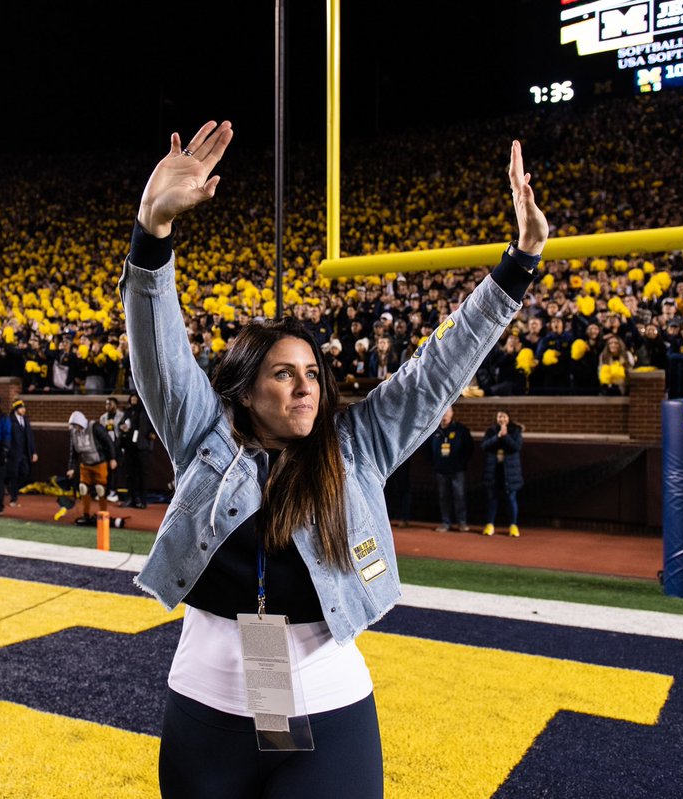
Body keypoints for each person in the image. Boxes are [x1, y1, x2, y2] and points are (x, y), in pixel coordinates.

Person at [121, 121, 546, 798]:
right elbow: (158, 353)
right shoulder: (204, 436)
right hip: (205, 709)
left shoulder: (358, 447)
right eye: (284, 374)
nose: (306, 385)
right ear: (243, 389)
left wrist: (519, 262)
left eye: (313, 372)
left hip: (331, 710)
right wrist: (152, 233)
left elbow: (437, 369)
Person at [65, 409, 118, 525]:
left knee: (100, 489)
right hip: (85, 465)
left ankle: (103, 514)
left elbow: (108, 442)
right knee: (83, 488)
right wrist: (71, 468)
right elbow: (73, 452)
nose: (75, 428)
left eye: (76, 425)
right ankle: (85, 514)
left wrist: (112, 458)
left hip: (100, 463)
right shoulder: (74, 433)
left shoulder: (95, 427)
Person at [428, 407, 473, 532]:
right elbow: (426, 450)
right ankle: (445, 522)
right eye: (442, 413)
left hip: (457, 471)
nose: (444, 416)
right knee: (443, 497)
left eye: (447, 413)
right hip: (441, 470)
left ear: (452, 414)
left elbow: (469, 448)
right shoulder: (433, 430)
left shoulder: (461, 430)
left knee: (459, 496)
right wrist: (435, 463)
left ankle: (462, 522)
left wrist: (461, 463)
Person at [480, 410, 525, 537]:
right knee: (492, 498)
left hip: (510, 472)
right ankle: (490, 524)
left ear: (509, 418)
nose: (501, 419)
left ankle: (513, 525)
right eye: (499, 416)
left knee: (511, 498)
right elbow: (484, 446)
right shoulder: (491, 431)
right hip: (494, 470)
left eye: (504, 416)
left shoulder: (516, 431)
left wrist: (506, 436)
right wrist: (498, 436)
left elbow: (516, 447)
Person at [119, 392, 154, 509]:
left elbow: (154, 425)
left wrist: (152, 433)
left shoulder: (147, 410)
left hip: (142, 447)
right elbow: (121, 424)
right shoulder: (128, 411)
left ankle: (142, 501)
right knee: (130, 474)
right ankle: (130, 499)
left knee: (142, 475)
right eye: (132, 398)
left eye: (135, 398)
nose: (133, 400)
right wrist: (122, 427)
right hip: (130, 447)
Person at [5, 399, 38, 507]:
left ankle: (11, 488)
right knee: (14, 475)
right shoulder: (10, 420)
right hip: (13, 453)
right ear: (16, 409)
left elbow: (30, 437)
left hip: (24, 453)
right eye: (21, 408)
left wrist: (33, 452)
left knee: (25, 472)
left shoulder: (25, 420)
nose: (24, 410)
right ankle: (13, 497)